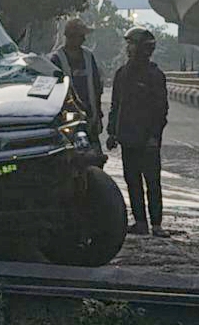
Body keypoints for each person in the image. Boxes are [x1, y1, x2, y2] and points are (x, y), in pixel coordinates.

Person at [107, 27, 169, 237]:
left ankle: (156, 224)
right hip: (128, 138)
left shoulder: (155, 76)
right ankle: (140, 222)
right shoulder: (122, 74)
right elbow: (116, 106)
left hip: (148, 140)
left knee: (152, 182)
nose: (128, 48)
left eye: (131, 44)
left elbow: (161, 110)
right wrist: (112, 132)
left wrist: (154, 136)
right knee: (132, 181)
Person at [51, 19, 104, 155]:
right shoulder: (57, 59)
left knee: (95, 155)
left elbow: (96, 87)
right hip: (67, 119)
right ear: (71, 37)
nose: (84, 39)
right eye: (81, 36)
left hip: (90, 116)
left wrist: (97, 115)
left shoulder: (88, 56)